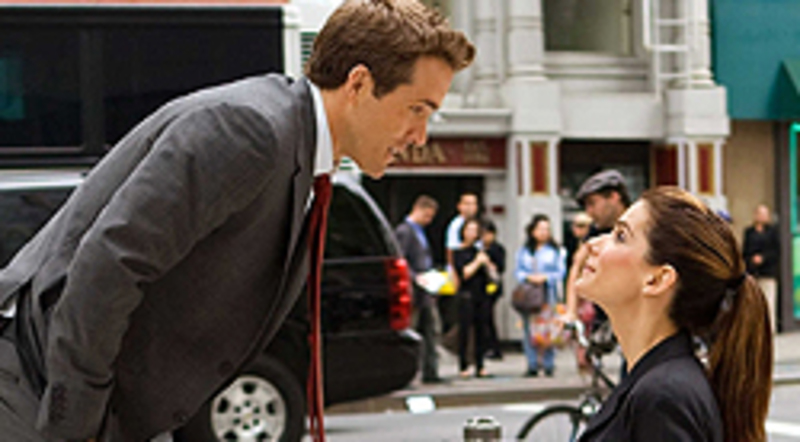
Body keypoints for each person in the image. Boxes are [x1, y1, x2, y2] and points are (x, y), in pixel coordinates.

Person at [0, 1, 475, 440]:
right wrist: (75, 427)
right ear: (359, 85)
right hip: (35, 390)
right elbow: (108, 265)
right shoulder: (251, 132)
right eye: (417, 109)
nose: (420, 136)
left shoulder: (295, 144)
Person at [575, 187, 772, 441]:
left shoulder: (663, 397)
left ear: (658, 279)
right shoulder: (656, 381)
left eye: (620, 236)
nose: (592, 244)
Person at [395, 195, 445, 384]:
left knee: (432, 330)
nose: (428, 220)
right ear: (418, 209)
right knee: (413, 330)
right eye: (427, 216)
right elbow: (401, 258)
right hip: (415, 289)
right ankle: (409, 374)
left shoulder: (419, 231)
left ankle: (431, 371)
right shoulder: (404, 232)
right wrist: (415, 277)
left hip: (426, 289)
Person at [514, 214, 566, 377]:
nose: (544, 232)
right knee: (529, 328)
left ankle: (549, 363)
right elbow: (518, 271)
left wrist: (546, 277)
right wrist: (529, 277)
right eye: (540, 229)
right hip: (530, 294)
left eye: (547, 229)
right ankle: (532, 363)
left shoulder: (556, 251)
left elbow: (560, 272)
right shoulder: (524, 251)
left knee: (548, 327)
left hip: (548, 293)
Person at [452, 218, 496, 378]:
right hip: (466, 294)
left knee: (481, 329)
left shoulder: (480, 251)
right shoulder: (458, 252)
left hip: (481, 294)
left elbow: (492, 273)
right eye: (469, 230)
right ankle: (463, 364)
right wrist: (477, 262)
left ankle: (480, 364)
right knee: (465, 330)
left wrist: (488, 264)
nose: (472, 233)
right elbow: (464, 273)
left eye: (475, 230)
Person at [743, 204, 780, 332]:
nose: (762, 216)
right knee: (753, 304)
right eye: (759, 213)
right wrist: (751, 260)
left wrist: (763, 258)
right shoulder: (749, 232)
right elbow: (744, 251)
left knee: (768, 302)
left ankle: (769, 330)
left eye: (764, 214)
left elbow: (776, 252)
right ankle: (755, 331)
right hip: (753, 273)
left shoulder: (773, 232)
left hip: (768, 272)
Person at [481, 220, 506, 360]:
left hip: (492, 286)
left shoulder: (497, 249)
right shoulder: (479, 249)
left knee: (488, 317)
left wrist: (488, 262)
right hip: (481, 286)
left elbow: (501, 268)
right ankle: (487, 346)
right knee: (484, 318)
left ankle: (494, 347)